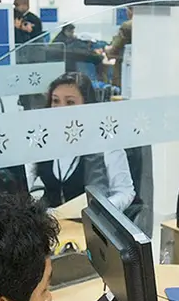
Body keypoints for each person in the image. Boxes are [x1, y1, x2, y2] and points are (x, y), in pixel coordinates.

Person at [26, 73, 135, 212]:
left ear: (87, 105)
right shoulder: (43, 140)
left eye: (70, 102)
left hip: (89, 223)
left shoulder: (105, 142)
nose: (60, 108)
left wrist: (99, 210)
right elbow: (24, 183)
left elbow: (125, 193)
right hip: (50, 224)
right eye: (55, 101)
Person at [106, 7, 133, 89]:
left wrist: (107, 50)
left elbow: (114, 49)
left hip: (127, 67)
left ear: (131, 10)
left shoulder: (127, 26)